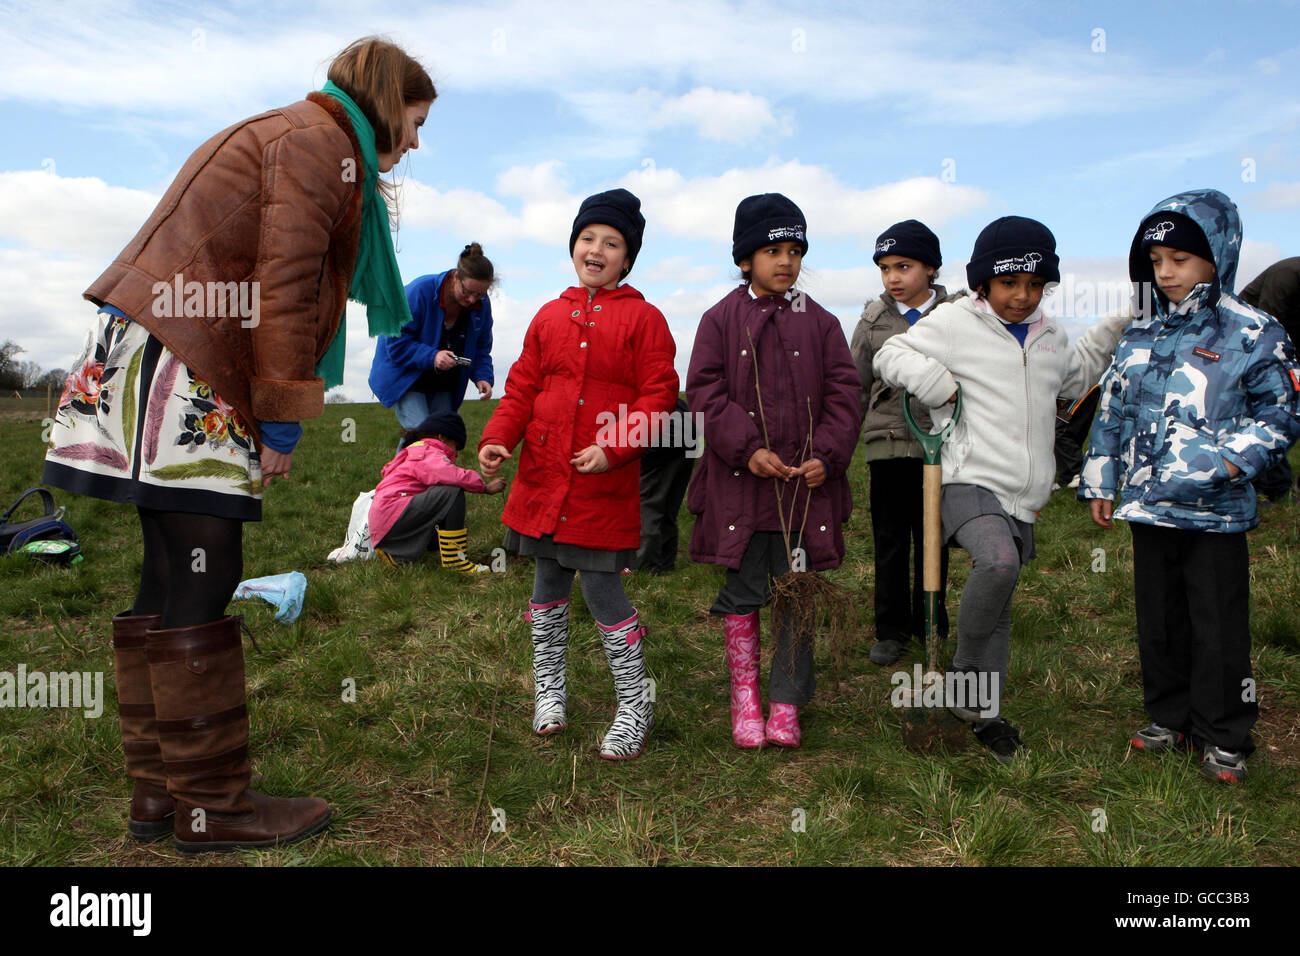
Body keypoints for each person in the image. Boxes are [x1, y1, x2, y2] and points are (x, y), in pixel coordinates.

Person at [41, 36, 436, 851]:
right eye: (416, 120)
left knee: (167, 563)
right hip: (192, 357)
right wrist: (283, 414)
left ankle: (161, 797)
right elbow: (284, 279)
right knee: (207, 563)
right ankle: (211, 808)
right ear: (385, 100)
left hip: (149, 345)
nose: (417, 142)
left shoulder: (288, 129)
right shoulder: (321, 145)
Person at [875, 216, 1126, 762]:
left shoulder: (1052, 334)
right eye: (1010, 284)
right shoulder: (953, 321)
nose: (1023, 296)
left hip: (1026, 494)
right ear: (984, 282)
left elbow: (1075, 379)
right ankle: (962, 671)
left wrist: (1113, 327)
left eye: (1035, 286)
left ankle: (981, 712)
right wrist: (934, 382)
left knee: (1002, 609)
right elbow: (889, 355)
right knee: (999, 563)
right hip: (967, 478)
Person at [1079, 190, 1300, 783]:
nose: (1166, 272)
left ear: (1217, 255)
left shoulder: (1256, 331)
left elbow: (1280, 415)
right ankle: (1169, 716)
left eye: (1180, 257)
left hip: (1216, 513)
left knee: (1218, 624)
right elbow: (1111, 414)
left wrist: (1224, 463)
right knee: (1160, 619)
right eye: (1155, 260)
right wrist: (1101, 480)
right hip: (1149, 507)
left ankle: (1224, 732)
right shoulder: (1140, 333)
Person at [478, 189, 678, 760]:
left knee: (602, 589)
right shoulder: (548, 315)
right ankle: (550, 690)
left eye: (611, 243)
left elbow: (659, 395)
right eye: (588, 238)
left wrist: (614, 446)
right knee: (546, 585)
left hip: (600, 486)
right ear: (573, 247)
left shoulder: (644, 319)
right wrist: (497, 439)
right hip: (544, 478)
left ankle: (635, 701)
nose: (597, 249)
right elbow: (521, 389)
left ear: (627, 259)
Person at [687, 194, 861, 749]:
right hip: (742, 492)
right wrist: (746, 449)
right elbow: (704, 393)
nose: (785, 261)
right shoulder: (719, 320)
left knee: (796, 593)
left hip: (804, 496)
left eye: (794, 250)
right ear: (745, 260)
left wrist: (828, 457)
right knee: (743, 592)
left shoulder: (825, 323)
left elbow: (845, 395)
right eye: (771, 250)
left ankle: (786, 704)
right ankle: (744, 699)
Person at [850, 220, 959, 667]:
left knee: (934, 537)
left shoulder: (958, 315)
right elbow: (854, 382)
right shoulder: (873, 320)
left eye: (904, 266)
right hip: (889, 445)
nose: (892, 277)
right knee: (891, 539)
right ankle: (890, 629)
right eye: (884, 268)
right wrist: (841, 443)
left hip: (942, 446)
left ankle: (931, 620)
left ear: (931, 268)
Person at [369, 243, 496, 432]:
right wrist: (433, 357)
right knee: (423, 434)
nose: (472, 300)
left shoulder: (481, 306)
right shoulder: (419, 292)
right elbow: (395, 344)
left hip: (444, 382)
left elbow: (481, 347)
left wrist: (482, 376)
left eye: (479, 294)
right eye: (467, 292)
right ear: (455, 277)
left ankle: (406, 463)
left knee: (441, 435)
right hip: (406, 377)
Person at [369, 411, 504, 570]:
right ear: (442, 437)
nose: (456, 453)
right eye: (456, 446)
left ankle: (400, 553)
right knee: (451, 491)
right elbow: (451, 475)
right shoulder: (427, 451)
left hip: (386, 524)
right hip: (393, 516)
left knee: (439, 498)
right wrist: (485, 488)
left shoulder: (412, 451)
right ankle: (455, 560)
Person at [1238, 256, 1300, 502]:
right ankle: (1270, 485)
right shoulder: (1288, 274)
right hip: (1248, 343)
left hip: (1287, 345)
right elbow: (1268, 327)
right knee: (1272, 407)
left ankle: (1277, 485)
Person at [635, 397, 696, 574]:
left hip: (662, 431)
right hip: (687, 429)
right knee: (669, 503)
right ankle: (665, 561)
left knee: (647, 503)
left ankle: (646, 567)